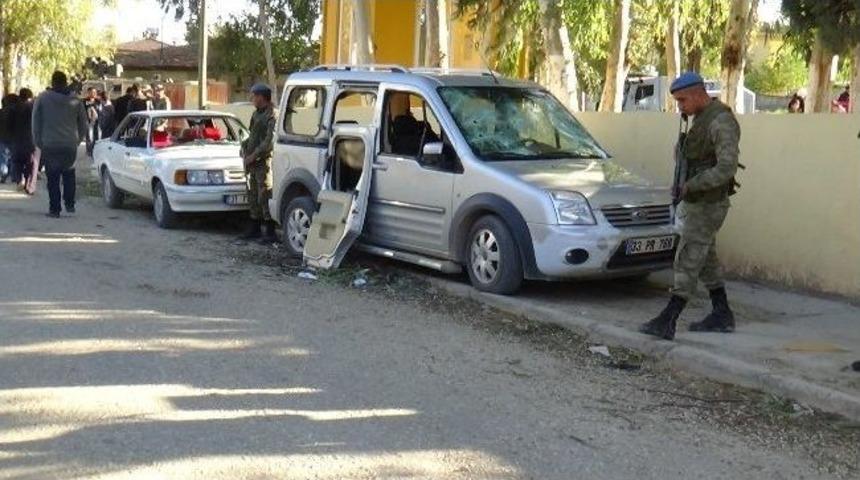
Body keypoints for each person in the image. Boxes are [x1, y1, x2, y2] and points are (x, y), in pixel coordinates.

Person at [640, 72, 741, 341]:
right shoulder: (699, 120)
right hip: (697, 201)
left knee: (687, 257)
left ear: (698, 94)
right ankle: (722, 313)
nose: (680, 106)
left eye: (683, 100)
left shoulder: (721, 121)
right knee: (705, 257)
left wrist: (691, 185)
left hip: (708, 203)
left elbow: (726, 167)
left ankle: (669, 318)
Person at [32, 71, 88, 218]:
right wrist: (78, 139)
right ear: (65, 81)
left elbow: (35, 120)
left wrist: (38, 140)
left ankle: (54, 209)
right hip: (69, 143)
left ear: (52, 81)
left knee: (53, 177)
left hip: (49, 143)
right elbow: (84, 123)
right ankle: (69, 203)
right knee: (69, 173)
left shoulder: (43, 98)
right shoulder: (76, 100)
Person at [238, 83, 277, 243]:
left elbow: (269, 142)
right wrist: (244, 148)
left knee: (264, 194)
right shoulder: (256, 114)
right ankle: (254, 227)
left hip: (263, 162)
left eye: (253, 96)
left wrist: (253, 156)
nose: (251, 98)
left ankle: (270, 231)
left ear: (261, 97)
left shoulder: (272, 115)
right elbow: (251, 135)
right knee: (253, 194)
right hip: (252, 161)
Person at [10, 88, 35, 192]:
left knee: (16, 161)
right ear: (29, 97)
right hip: (29, 138)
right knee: (29, 162)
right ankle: (27, 181)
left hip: (16, 138)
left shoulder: (13, 108)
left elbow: (10, 124)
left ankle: (19, 181)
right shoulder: (32, 108)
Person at [0, 93, 17, 183]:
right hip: (13, 137)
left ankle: (4, 173)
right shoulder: (16, 112)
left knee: (3, 157)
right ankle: (12, 174)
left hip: (2, 137)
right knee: (12, 157)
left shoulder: (1, 111)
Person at [83, 87, 99, 156]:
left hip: (96, 121)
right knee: (88, 136)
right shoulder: (84, 101)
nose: (94, 94)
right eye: (92, 92)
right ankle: (89, 150)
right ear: (89, 93)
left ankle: (96, 149)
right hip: (87, 120)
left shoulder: (98, 100)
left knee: (96, 135)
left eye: (95, 92)